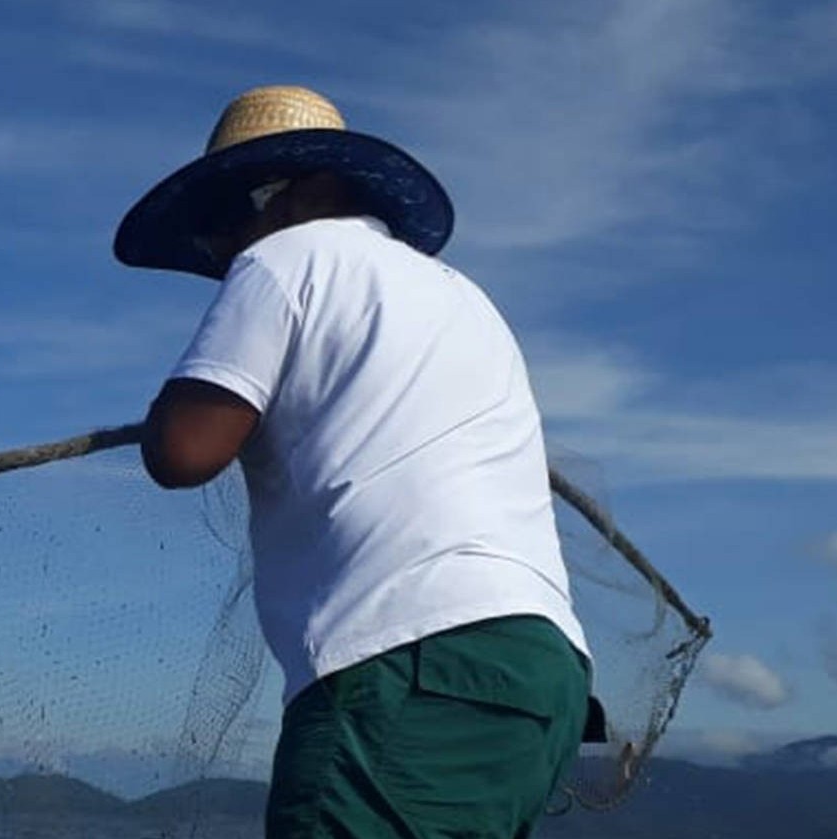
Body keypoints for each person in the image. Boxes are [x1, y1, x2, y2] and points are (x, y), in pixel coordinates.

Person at [115, 85, 595, 838]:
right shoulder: (463, 296)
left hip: (405, 662)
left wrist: (167, 413)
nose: (217, 245)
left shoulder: (284, 258)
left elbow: (182, 452)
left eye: (223, 214)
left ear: (313, 191)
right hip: (543, 675)